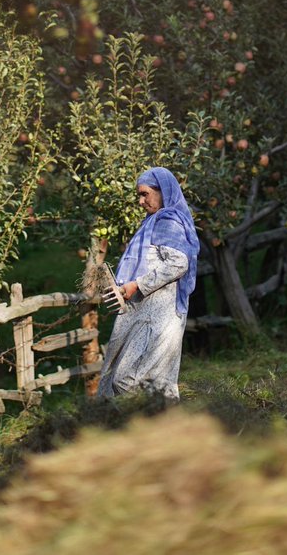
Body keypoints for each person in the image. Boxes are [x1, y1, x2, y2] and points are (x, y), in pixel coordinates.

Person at [97, 167, 200, 400]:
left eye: (145, 194)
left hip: (160, 314)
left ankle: (159, 424)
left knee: (127, 379)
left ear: (163, 192)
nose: (141, 201)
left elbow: (178, 263)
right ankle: (162, 430)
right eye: (139, 195)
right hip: (145, 310)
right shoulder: (152, 222)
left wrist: (136, 285)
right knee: (154, 382)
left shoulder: (168, 223)